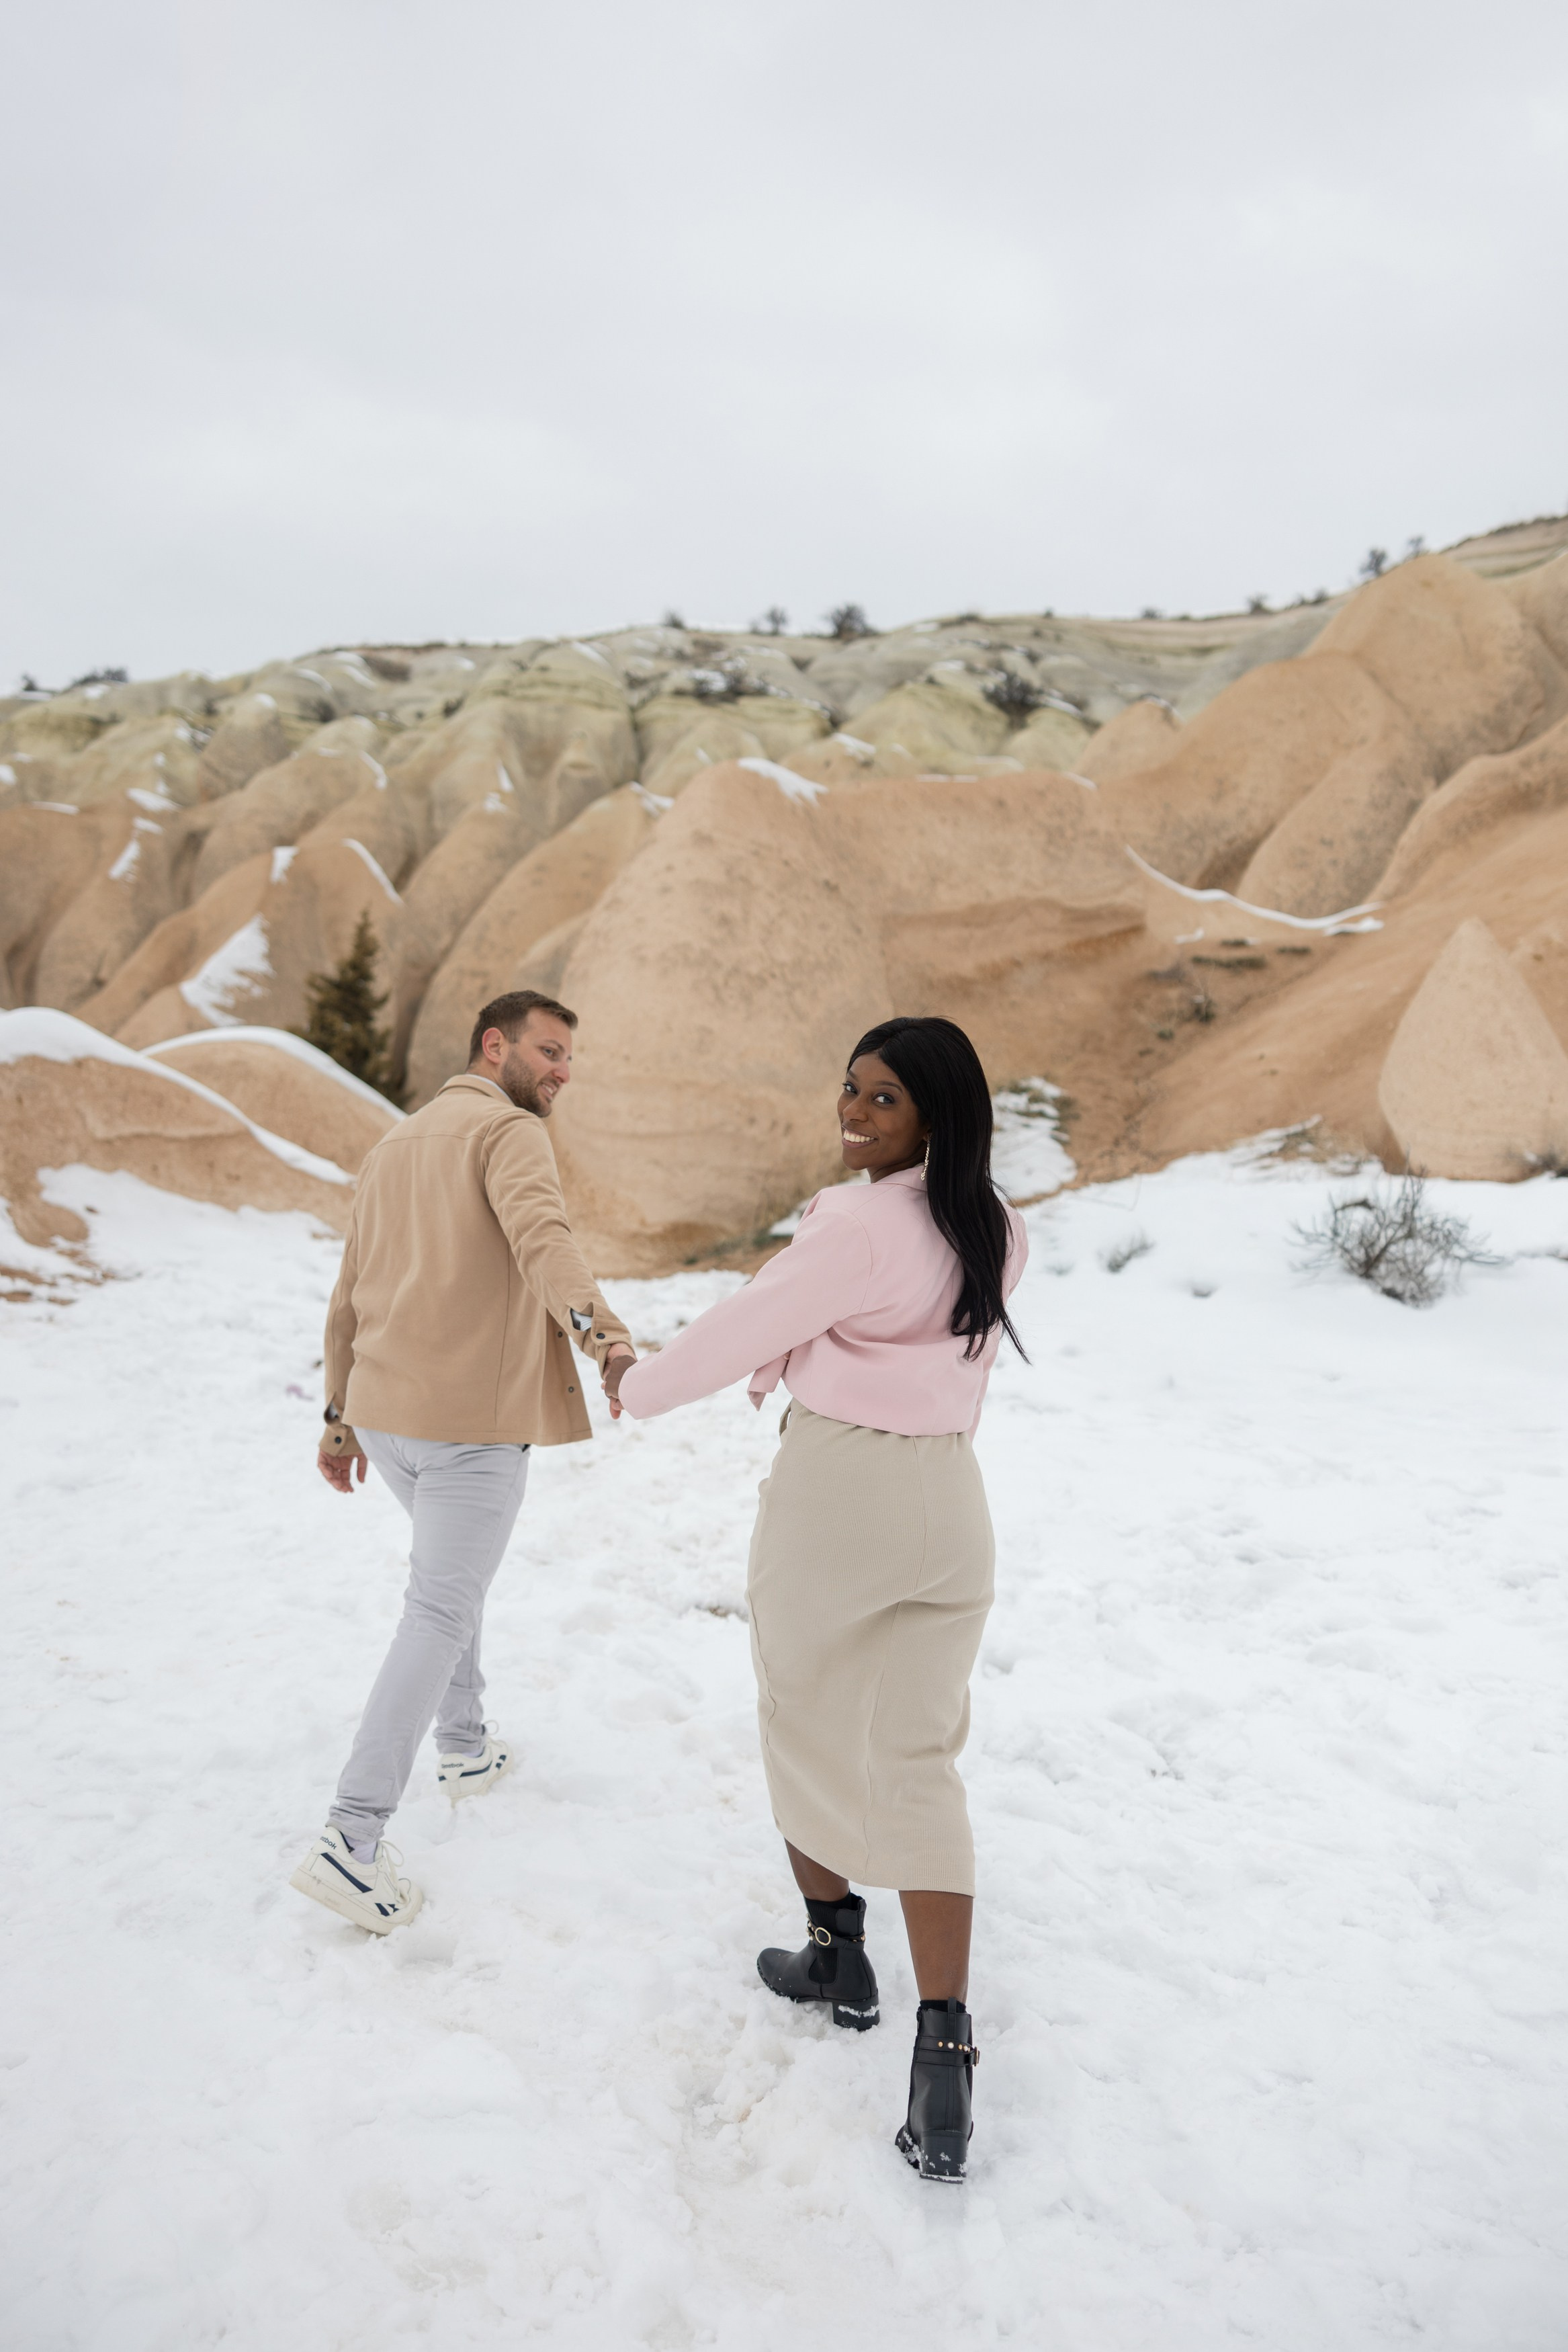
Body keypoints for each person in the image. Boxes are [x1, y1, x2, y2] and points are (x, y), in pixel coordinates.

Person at [607, 1015, 1027, 2182]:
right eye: (848, 1087)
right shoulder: (997, 1227)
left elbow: (737, 1332)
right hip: (951, 1503)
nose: (852, 1109)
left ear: (934, 1113)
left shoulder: (851, 1223)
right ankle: (942, 2054)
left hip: (839, 1490)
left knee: (800, 1711)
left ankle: (835, 1956)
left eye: (882, 1097)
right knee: (918, 1757)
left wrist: (632, 1385)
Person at [290, 989, 635, 1933]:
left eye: (570, 1057)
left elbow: (347, 1296)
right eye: (550, 1051)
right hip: (468, 1431)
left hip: (390, 1420)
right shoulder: (508, 1133)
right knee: (440, 1605)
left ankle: (467, 1744)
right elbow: (543, 1241)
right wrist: (606, 1340)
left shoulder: (394, 1143)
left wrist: (337, 1418)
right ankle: (351, 1841)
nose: (562, 1070)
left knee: (450, 1586)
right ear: (496, 1046)